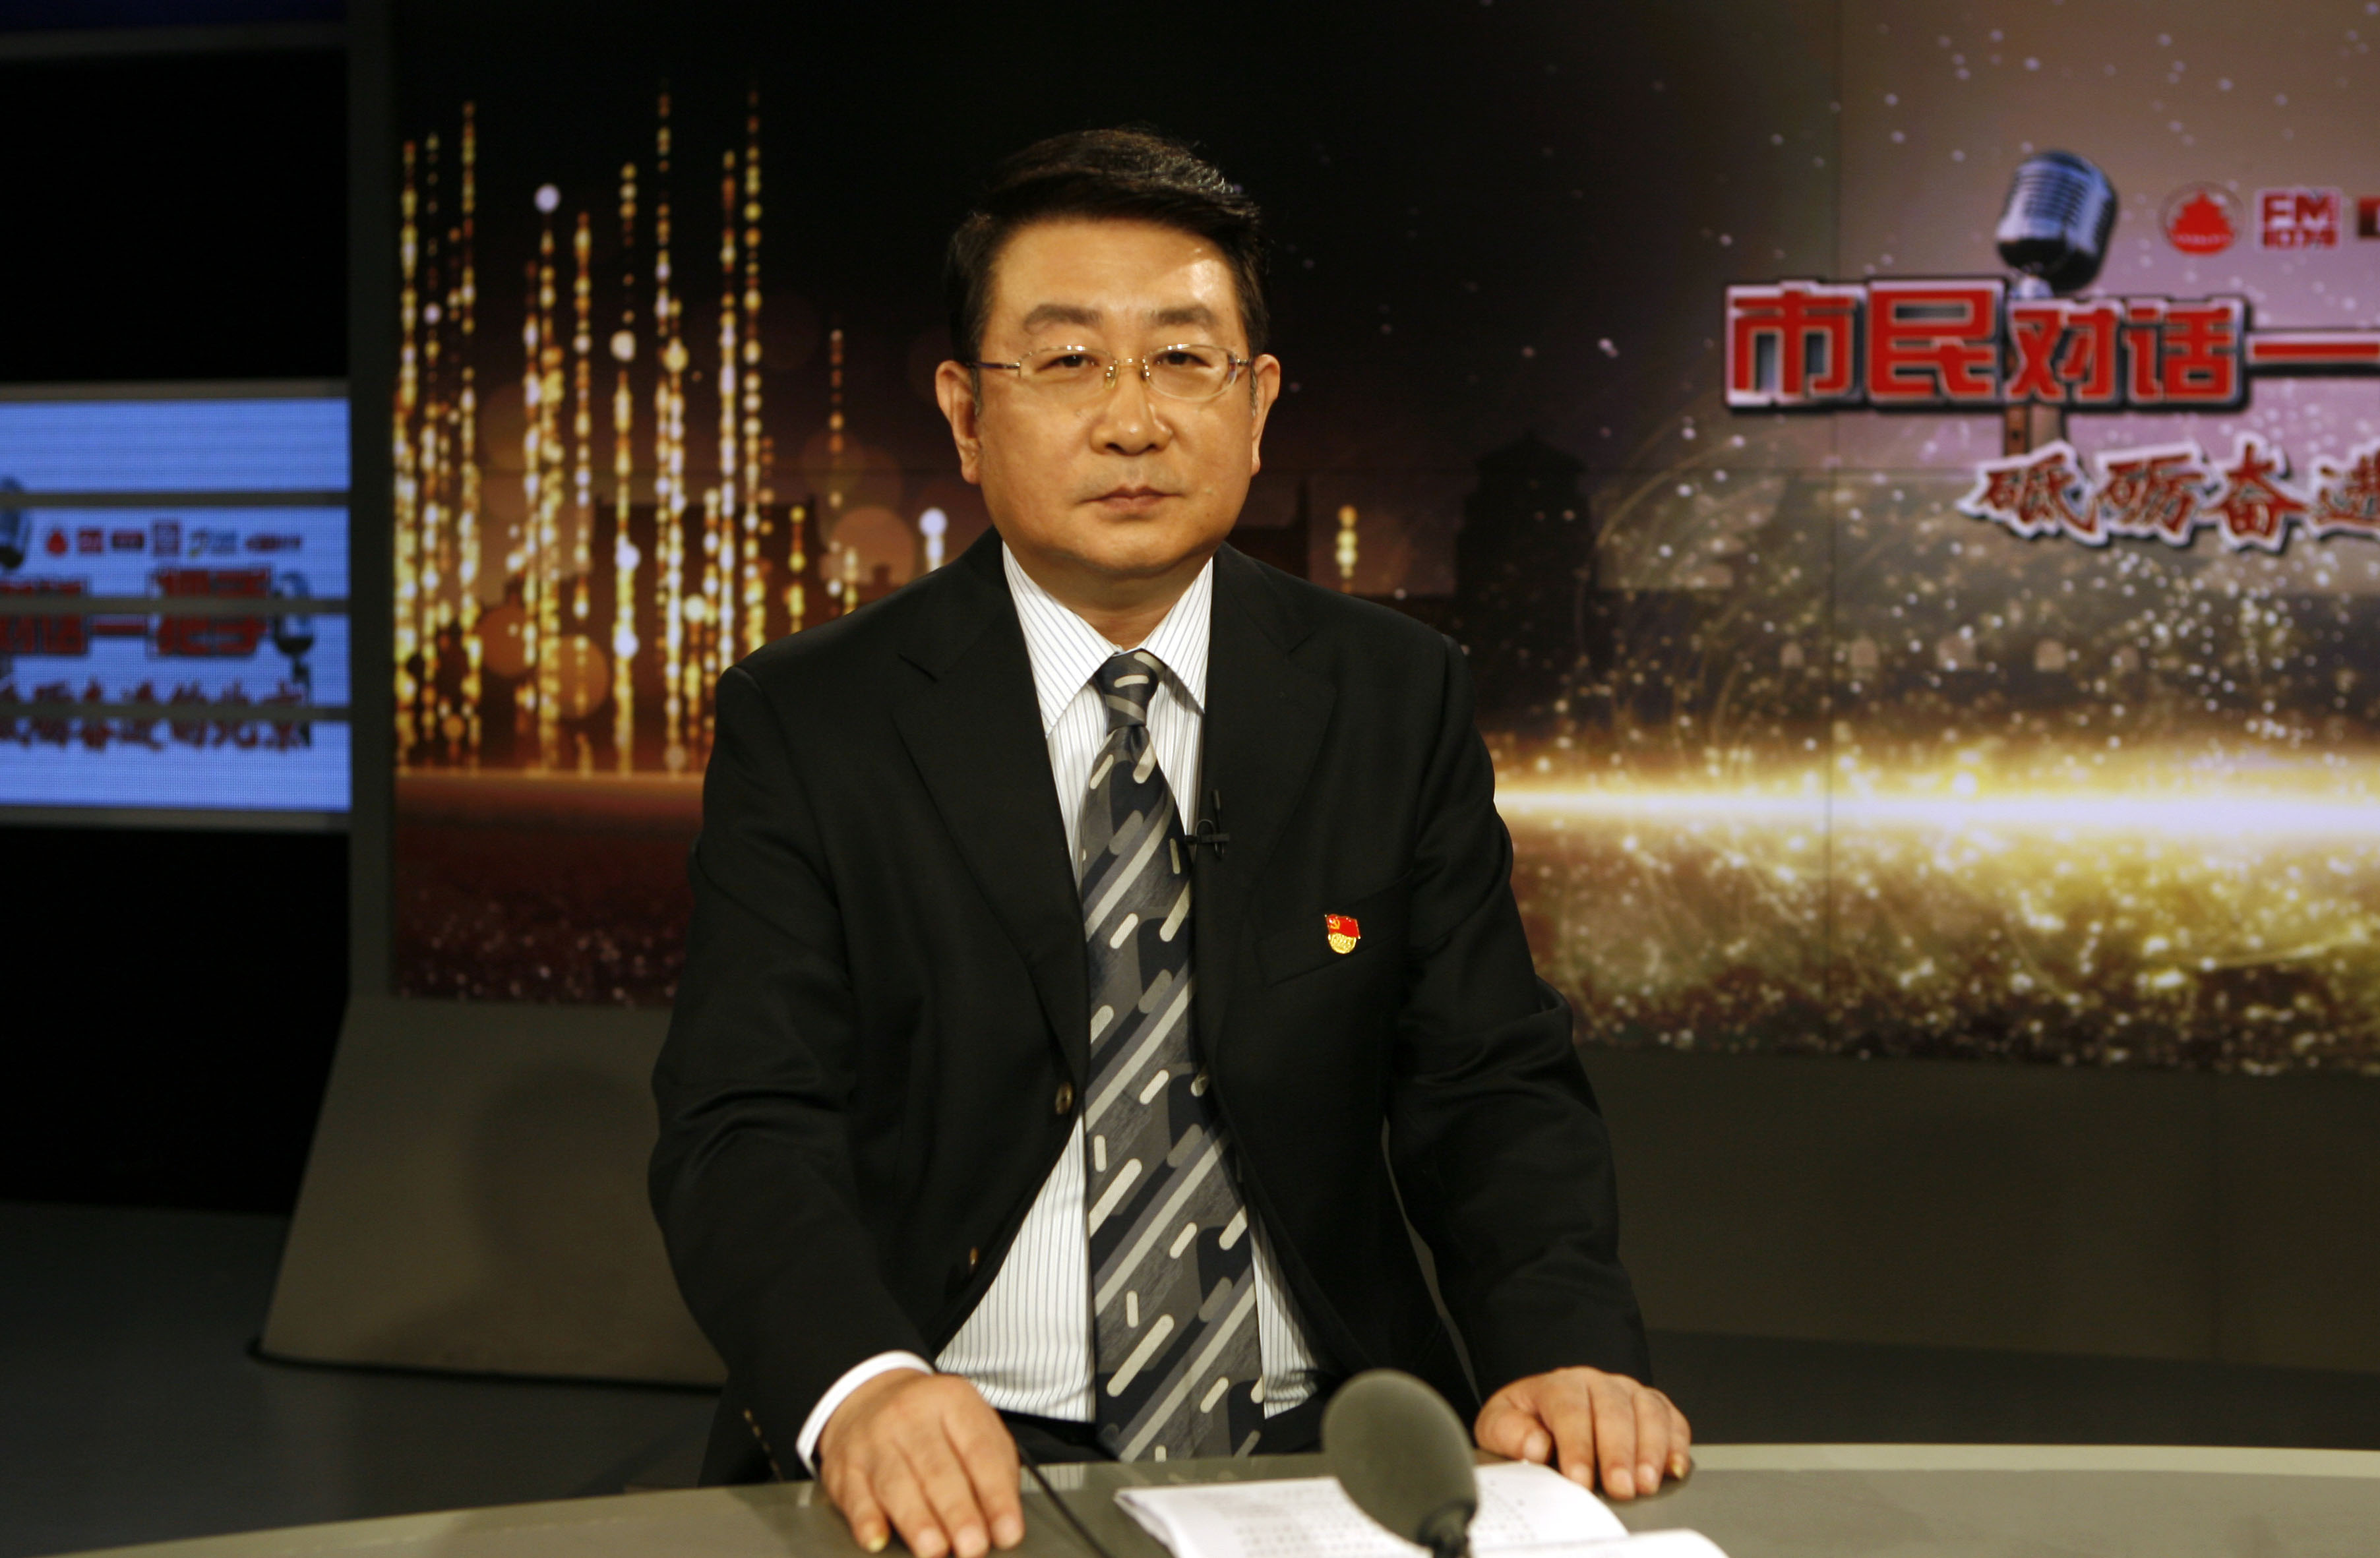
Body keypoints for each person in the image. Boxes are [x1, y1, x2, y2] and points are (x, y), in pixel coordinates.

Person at [650, 127, 1688, 1558]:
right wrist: (862, 1384)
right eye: (1068, 361)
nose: (1131, 421)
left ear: (1255, 405)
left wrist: (1561, 1348)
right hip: (956, 1442)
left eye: (1182, 360)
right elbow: (741, 1119)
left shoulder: (1389, 693)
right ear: (965, 413)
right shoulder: (813, 717)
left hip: (1324, 1438)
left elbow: (1487, 1081)